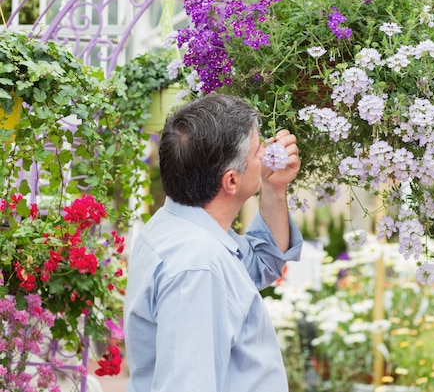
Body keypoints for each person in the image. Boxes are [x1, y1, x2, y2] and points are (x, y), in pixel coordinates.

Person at [123, 94, 303, 392]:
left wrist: (273, 188)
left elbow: (263, 263)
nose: (268, 154)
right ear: (231, 181)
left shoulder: (179, 225)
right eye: (259, 150)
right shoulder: (197, 266)